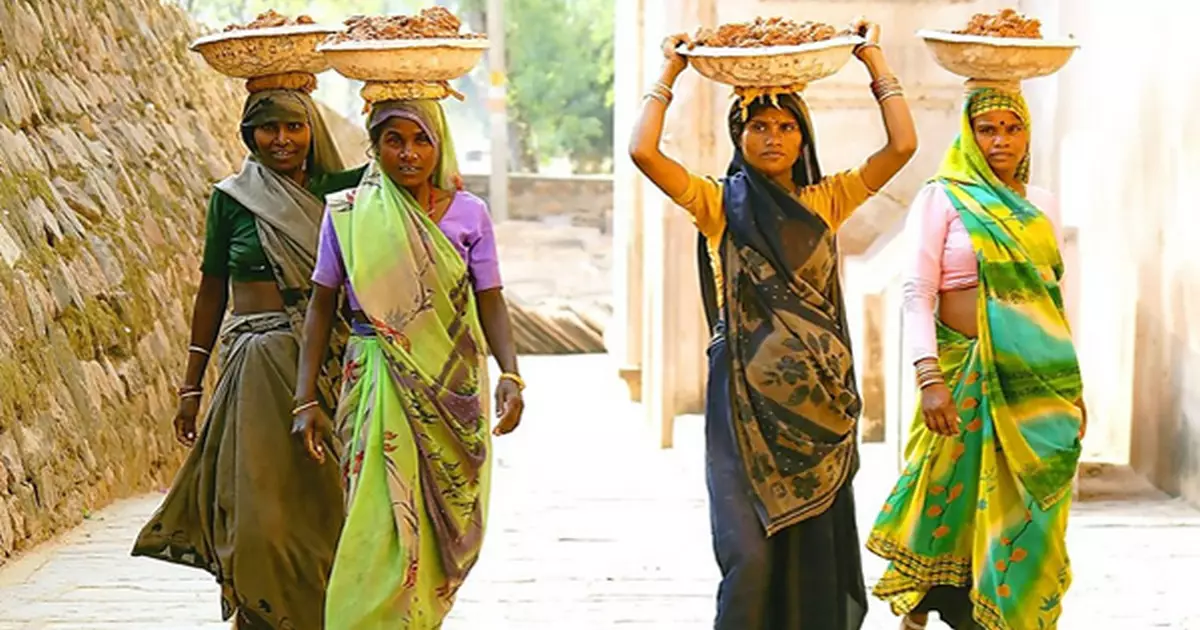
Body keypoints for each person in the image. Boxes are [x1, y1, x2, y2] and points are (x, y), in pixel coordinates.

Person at [629, 18, 917, 630]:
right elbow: (644, 152)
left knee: (810, 556)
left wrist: (874, 62)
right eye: (758, 126)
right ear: (739, 135)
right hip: (741, 407)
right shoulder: (717, 203)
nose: (773, 137)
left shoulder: (827, 201)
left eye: (787, 126)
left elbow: (901, 148)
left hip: (816, 409)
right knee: (750, 557)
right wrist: (671, 72)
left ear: (802, 136)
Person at [131, 87, 363, 628]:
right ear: (248, 135)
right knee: (257, 512)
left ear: (312, 131)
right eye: (268, 129)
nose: (282, 140)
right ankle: (261, 614)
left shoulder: (343, 193)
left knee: (328, 502)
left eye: (294, 127)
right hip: (255, 365)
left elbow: (409, 180)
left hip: (330, 368)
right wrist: (191, 386)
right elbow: (211, 290)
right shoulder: (232, 197)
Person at [291, 97, 524, 629]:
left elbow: (490, 298)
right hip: (374, 374)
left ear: (439, 145)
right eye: (394, 140)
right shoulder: (347, 212)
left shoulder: (471, 214)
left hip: (451, 385)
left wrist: (510, 374)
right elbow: (321, 305)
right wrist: (305, 398)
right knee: (375, 519)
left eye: (421, 139)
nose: (409, 153)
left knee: (436, 520)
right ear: (374, 146)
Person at [866, 85, 1086, 630]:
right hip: (960, 371)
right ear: (969, 134)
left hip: (1037, 386)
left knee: (1031, 509)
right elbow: (919, 291)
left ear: (1027, 134)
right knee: (943, 494)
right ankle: (921, 612)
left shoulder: (1043, 205)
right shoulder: (943, 197)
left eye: (1012, 129)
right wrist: (929, 376)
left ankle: (1010, 611)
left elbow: (1052, 298)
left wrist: (1075, 390)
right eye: (988, 129)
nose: (1000, 141)